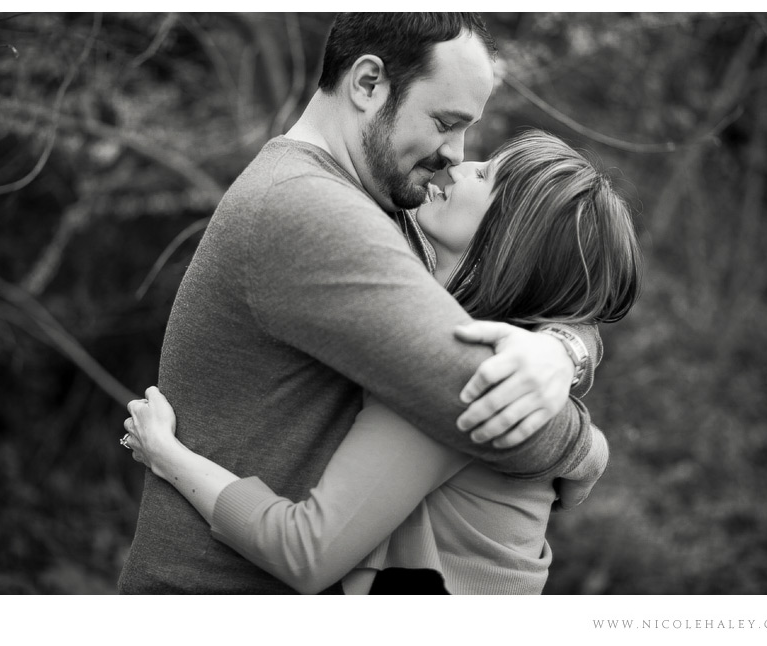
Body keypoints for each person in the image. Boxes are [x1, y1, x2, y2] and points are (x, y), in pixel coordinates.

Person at [118, 13, 602, 595]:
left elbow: (534, 290)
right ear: (368, 83)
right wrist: (587, 452)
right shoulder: (310, 212)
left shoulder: (386, 202)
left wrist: (564, 348)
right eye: (446, 122)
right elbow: (482, 395)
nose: (457, 153)